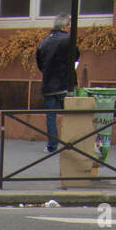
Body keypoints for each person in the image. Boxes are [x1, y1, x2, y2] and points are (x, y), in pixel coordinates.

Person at [35, 13, 73, 154]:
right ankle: (71, 143)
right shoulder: (69, 39)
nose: (69, 28)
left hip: (48, 85)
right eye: (68, 25)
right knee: (71, 115)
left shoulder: (44, 42)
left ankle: (51, 145)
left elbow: (40, 63)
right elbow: (76, 56)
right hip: (64, 83)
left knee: (51, 116)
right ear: (64, 26)